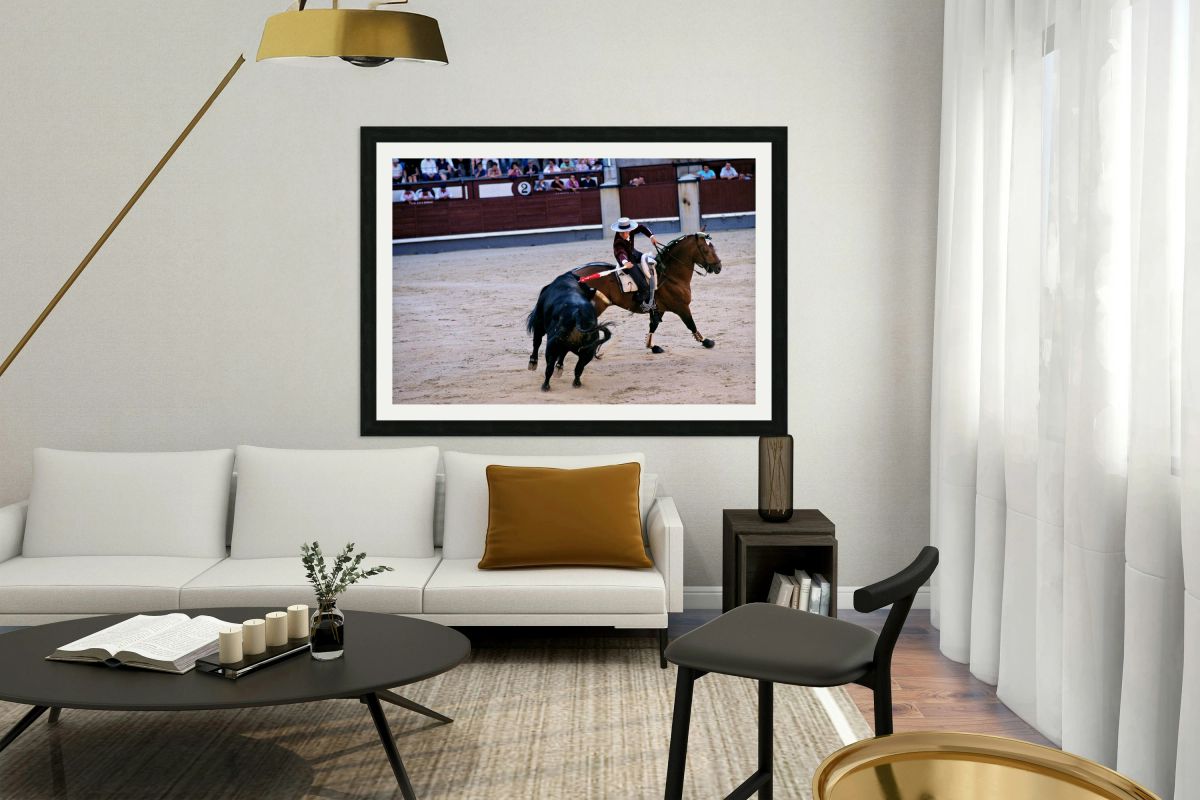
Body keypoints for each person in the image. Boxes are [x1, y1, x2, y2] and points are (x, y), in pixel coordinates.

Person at [611, 217, 659, 312]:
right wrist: (625, 262)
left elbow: (641, 227)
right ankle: (638, 301)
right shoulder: (618, 242)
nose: (625, 234)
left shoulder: (630, 230)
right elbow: (620, 253)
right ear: (619, 231)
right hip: (627, 262)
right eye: (622, 233)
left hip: (633, 253)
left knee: (651, 261)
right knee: (644, 287)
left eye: (627, 232)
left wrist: (651, 236)